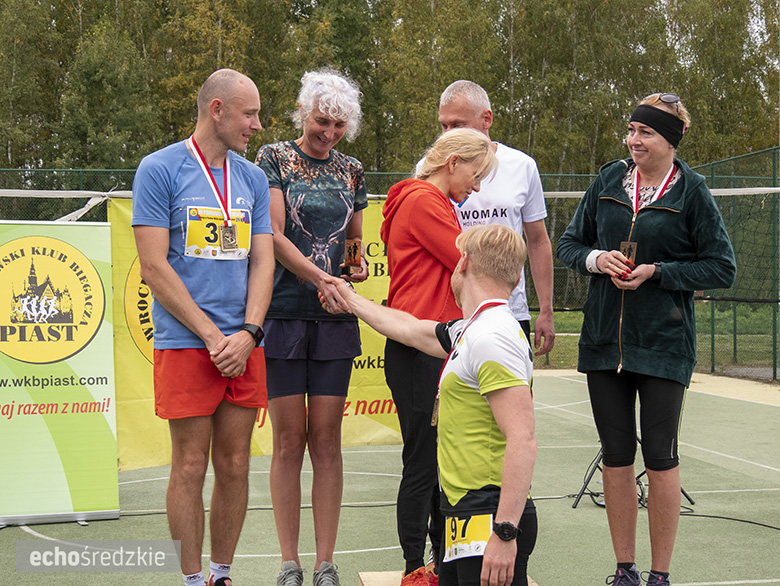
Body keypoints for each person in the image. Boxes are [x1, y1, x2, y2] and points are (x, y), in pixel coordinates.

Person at [556, 93, 736, 586]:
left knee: (660, 458)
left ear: (670, 140)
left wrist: (658, 272)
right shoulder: (608, 181)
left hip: (664, 347)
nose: (633, 141)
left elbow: (722, 267)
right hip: (603, 344)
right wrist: (597, 260)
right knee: (615, 457)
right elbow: (570, 244)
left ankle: (660, 575)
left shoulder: (692, 191)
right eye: (631, 130)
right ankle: (624, 570)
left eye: (646, 133)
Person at [321, 224, 537, 586]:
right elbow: (409, 329)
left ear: (462, 263)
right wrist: (349, 297)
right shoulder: (474, 329)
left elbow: (523, 439)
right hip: (465, 515)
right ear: (516, 281)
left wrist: (504, 532)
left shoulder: (492, 337)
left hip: (487, 516)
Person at [132, 69, 275, 586]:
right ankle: (192, 580)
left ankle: (221, 574)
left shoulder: (252, 178)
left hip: (243, 344)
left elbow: (263, 261)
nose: (257, 125)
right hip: (188, 343)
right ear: (217, 110)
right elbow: (154, 267)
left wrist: (249, 333)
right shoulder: (159, 169)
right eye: (249, 114)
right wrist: (214, 337)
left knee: (235, 464)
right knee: (190, 465)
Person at [253, 68, 368, 586]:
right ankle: (289, 562)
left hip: (333, 316)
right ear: (304, 113)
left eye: (339, 125)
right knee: (287, 441)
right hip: (282, 311)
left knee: (326, 440)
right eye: (322, 121)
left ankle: (324, 563)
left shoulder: (353, 170)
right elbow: (273, 235)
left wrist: (355, 267)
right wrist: (320, 276)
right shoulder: (274, 157)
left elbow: (355, 240)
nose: (329, 133)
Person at [380, 128, 498, 586]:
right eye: (475, 174)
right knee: (424, 463)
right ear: (453, 163)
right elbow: (470, 263)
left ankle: (439, 561)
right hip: (421, 346)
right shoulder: (424, 201)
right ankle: (415, 567)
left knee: (437, 461)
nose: (477, 187)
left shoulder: (432, 201)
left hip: (432, 344)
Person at [436, 80, 555, 356]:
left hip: (509, 311)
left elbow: (538, 241)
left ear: (486, 119)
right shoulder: (432, 169)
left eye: (458, 124)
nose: (448, 134)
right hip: (452, 313)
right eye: (444, 125)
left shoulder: (522, 166)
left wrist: (546, 310)